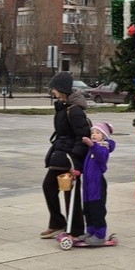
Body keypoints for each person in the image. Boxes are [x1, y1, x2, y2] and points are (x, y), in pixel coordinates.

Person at [41, 71, 90, 239]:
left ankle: (76, 229)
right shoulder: (64, 107)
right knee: (49, 187)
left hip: (69, 159)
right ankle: (57, 223)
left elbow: (83, 136)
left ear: (60, 89)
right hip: (60, 156)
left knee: (71, 193)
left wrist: (75, 158)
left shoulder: (75, 111)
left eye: (53, 88)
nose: (52, 92)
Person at [78, 121, 115, 246]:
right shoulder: (92, 148)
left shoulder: (103, 147)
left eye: (98, 132)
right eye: (92, 132)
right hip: (88, 184)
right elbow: (88, 165)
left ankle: (100, 234)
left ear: (104, 135)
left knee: (97, 209)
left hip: (97, 184)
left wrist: (92, 146)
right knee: (88, 208)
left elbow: (102, 157)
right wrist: (78, 171)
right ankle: (90, 231)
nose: (94, 135)